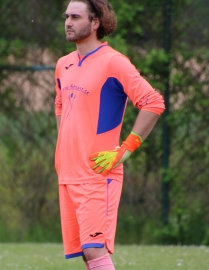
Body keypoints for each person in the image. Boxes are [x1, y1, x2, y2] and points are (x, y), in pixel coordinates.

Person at [54, 0, 165, 269]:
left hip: (97, 173)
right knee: (86, 253)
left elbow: (153, 102)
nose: (68, 22)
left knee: (95, 251)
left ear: (95, 23)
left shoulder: (114, 62)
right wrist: (65, 150)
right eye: (67, 16)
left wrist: (125, 149)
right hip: (68, 174)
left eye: (76, 17)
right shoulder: (63, 64)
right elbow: (59, 104)